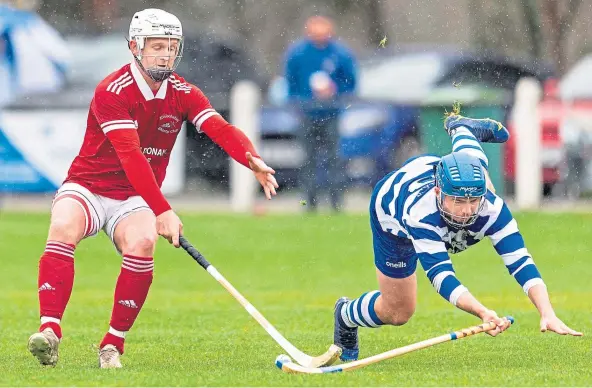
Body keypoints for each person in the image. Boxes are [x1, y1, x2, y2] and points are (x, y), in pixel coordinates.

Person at [27, 8, 279, 369]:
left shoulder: (183, 92)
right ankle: (50, 330)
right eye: (157, 46)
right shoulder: (112, 91)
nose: (165, 54)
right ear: (135, 47)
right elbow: (131, 156)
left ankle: (112, 344)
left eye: (172, 47)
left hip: (133, 196)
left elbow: (220, 129)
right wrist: (162, 210)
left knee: (142, 243)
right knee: (63, 224)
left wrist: (250, 158)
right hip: (89, 186)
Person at [333, 114, 582, 361]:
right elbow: (442, 277)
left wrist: (547, 311)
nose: (466, 210)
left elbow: (520, 261)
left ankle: (462, 129)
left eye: (474, 200)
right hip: (392, 210)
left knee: (475, 171)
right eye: (458, 201)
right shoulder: (421, 214)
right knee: (398, 312)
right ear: (439, 192)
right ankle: (346, 314)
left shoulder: (490, 207)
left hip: (443, 173)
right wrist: (482, 312)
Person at [283, 15, 357, 212]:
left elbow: (351, 82)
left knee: (334, 160)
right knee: (308, 160)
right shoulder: (298, 54)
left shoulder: (340, 54)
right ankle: (309, 203)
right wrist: (300, 101)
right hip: (307, 115)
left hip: (331, 114)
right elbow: (290, 83)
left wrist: (335, 92)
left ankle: (336, 203)